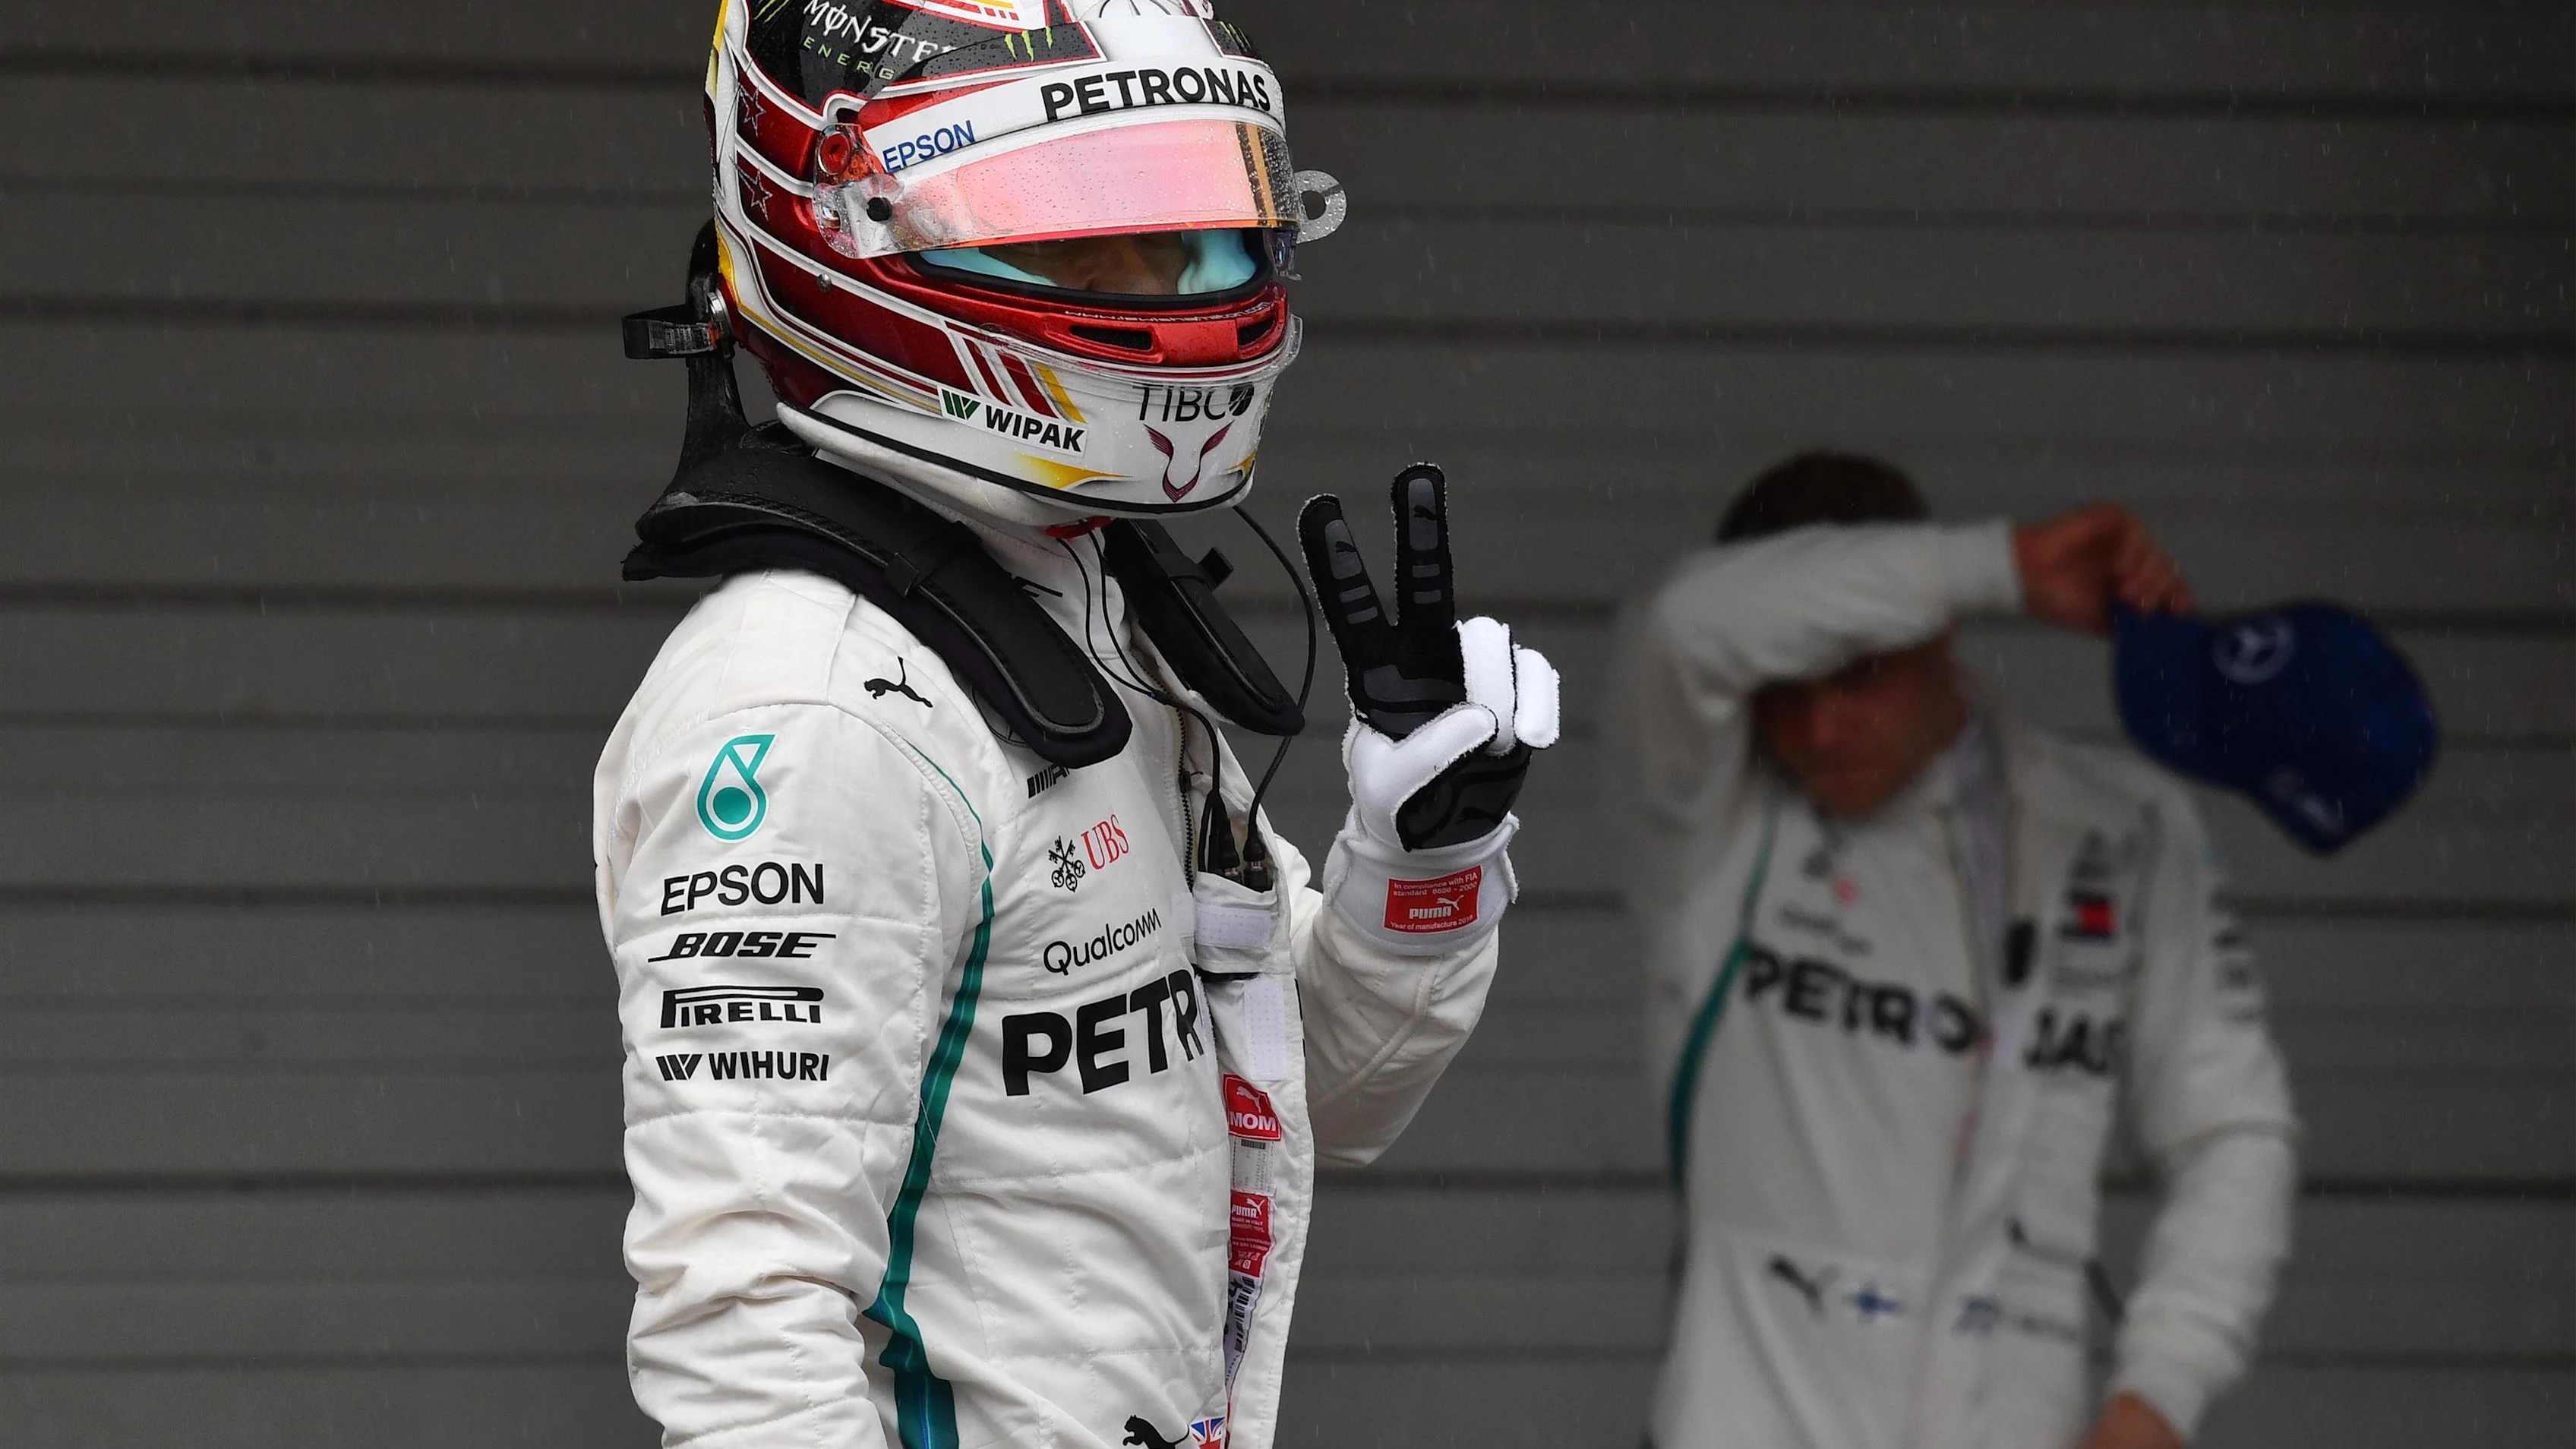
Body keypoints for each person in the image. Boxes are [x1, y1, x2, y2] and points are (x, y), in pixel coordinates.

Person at [593, 7, 1557, 1449]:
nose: (1178, 289)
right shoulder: (811, 705)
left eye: (1201, 231)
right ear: (848, 228)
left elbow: (1303, 1102)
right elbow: (744, 1330)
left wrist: (1417, 873)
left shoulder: (1080, 607)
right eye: (1089, 237)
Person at [1608, 453, 2297, 1449]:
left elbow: (2233, 1131)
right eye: (1780, 688)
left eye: (1857, 670)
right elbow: (1681, 627)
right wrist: (2005, 563)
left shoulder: (2122, 832)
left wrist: (2158, 1395)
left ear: (1936, 631)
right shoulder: (1708, 832)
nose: (1817, 725)